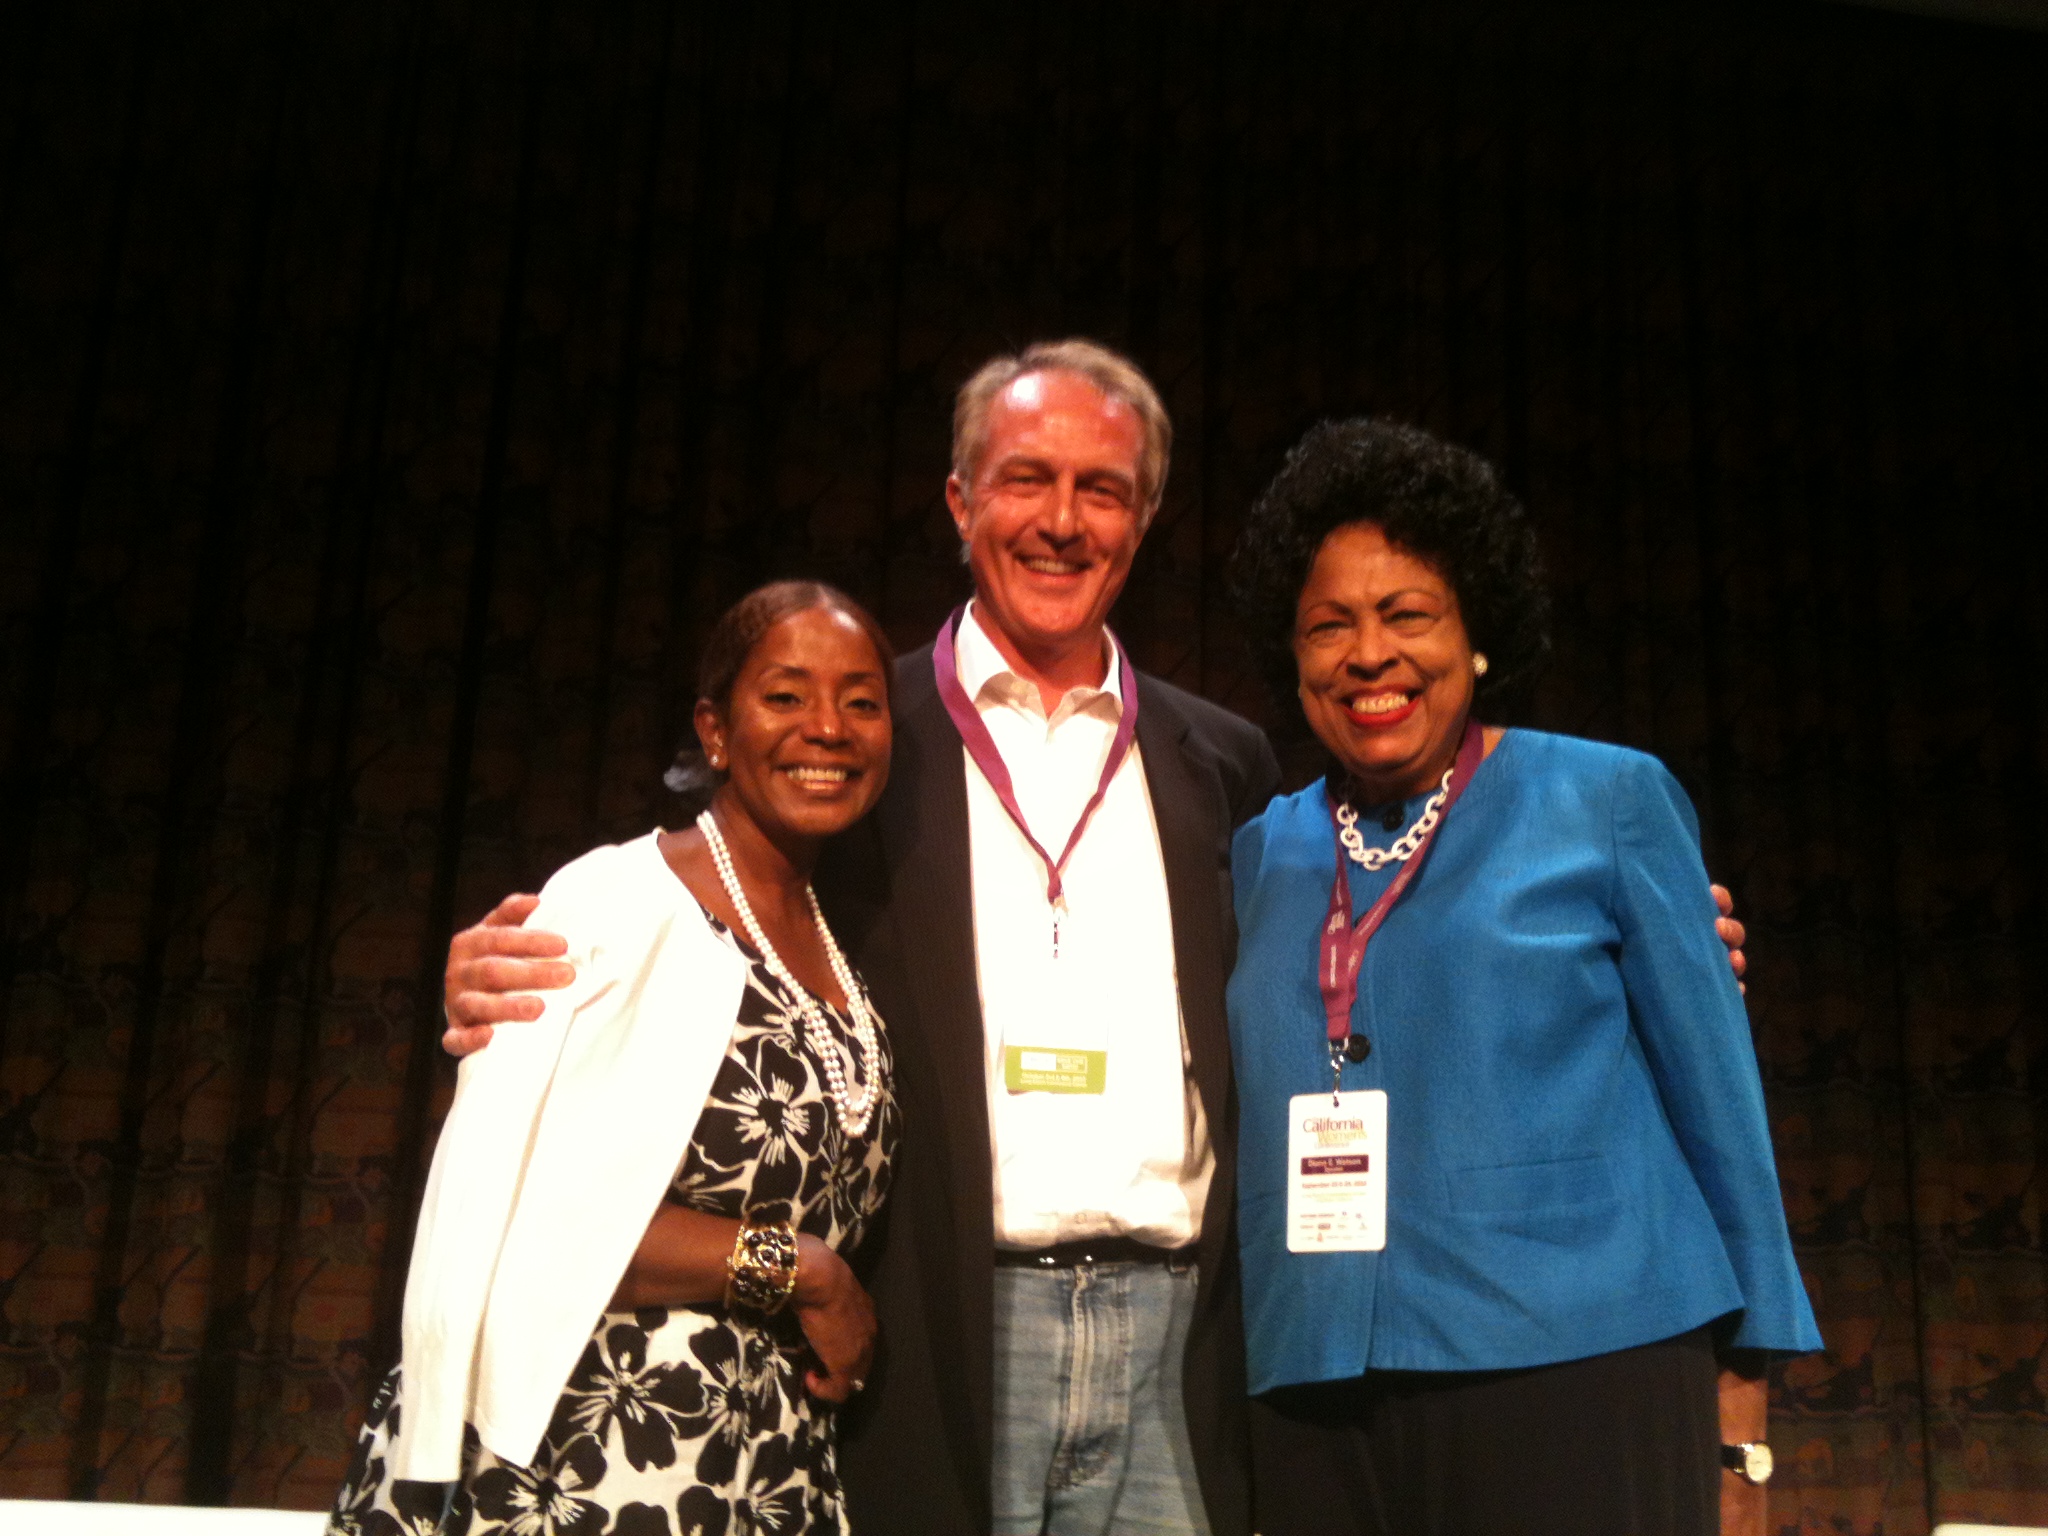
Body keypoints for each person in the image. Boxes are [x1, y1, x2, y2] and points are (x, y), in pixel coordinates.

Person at [435, 342, 1751, 1536]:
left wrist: (1645, 942)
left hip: (1186, 1334)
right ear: (961, 504)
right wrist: (530, 970)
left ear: (1144, 520)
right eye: (1025, 480)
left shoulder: (1223, 762)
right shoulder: (859, 735)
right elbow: (703, 896)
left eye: (1102, 489)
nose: (1062, 520)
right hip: (952, 1327)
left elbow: (1365, 940)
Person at [1222, 418, 1821, 1536]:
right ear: (1289, 656)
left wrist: (1742, 1415)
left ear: (1477, 634)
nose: (1368, 655)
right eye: (1328, 625)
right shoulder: (1263, 852)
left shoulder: (1607, 800)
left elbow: (1717, 1105)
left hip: (1577, 1363)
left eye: (1407, 615)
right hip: (1315, 1378)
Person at [328, 582, 901, 1536]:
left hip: (759, 1464)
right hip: (574, 1455)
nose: (828, 728)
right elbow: (515, 1213)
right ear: (715, 731)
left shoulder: (845, 952)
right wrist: (805, 1271)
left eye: (862, 701)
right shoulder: (612, 904)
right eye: (787, 695)